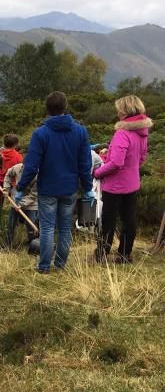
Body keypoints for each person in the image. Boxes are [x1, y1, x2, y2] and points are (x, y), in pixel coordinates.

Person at [15, 91, 93, 274]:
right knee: (65, 228)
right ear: (65, 107)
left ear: (47, 109)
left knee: (48, 228)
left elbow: (31, 166)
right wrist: (88, 187)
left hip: (48, 188)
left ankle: (44, 266)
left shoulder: (41, 134)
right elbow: (85, 163)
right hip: (70, 188)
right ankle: (60, 264)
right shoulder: (80, 131)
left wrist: (21, 188)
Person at [93, 95, 151, 264]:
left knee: (108, 221)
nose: (117, 112)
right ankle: (125, 254)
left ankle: (102, 253)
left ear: (126, 111)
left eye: (119, 109)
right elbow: (142, 158)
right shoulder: (142, 132)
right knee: (129, 219)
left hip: (115, 185)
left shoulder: (122, 133)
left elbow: (116, 163)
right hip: (132, 183)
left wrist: (98, 172)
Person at [3, 158, 39, 249]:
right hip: (16, 200)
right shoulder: (17, 168)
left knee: (31, 226)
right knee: (11, 224)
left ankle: (33, 246)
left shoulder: (38, 175)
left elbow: (33, 195)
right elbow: (8, 175)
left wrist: (21, 204)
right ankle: (8, 245)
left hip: (32, 204)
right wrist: (6, 188)